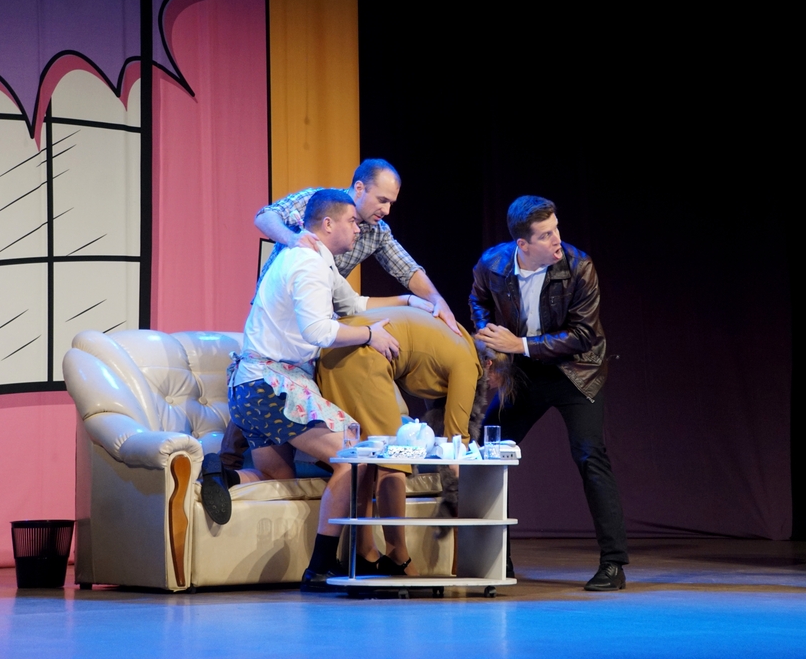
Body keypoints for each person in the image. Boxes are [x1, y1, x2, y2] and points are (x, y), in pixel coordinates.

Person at [209, 189, 433, 591]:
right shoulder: (308, 263)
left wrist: (408, 301)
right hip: (272, 385)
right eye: (351, 222)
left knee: (274, 473)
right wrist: (369, 336)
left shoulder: (318, 260)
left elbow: (354, 302)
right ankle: (321, 567)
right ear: (327, 224)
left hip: (250, 386)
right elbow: (318, 330)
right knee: (354, 454)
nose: (358, 229)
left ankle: (222, 476)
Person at [470, 195, 629, 592]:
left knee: (590, 454)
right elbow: (479, 300)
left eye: (556, 229)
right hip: (525, 373)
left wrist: (519, 345)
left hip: (576, 371)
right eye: (545, 235)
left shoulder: (578, 266)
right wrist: (490, 342)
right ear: (522, 244)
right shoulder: (493, 264)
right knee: (487, 453)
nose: (557, 239)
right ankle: (496, 560)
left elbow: (583, 334)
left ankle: (613, 564)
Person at [314, 307, 513, 576]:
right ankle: (398, 555)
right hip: (362, 356)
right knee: (395, 460)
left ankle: (365, 552)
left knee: (365, 459)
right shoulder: (469, 364)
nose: (487, 389)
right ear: (489, 366)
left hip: (336, 350)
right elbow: (455, 442)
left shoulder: (455, 340)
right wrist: (464, 493)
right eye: (492, 384)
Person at [254, 158, 459, 334]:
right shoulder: (319, 201)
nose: (387, 210)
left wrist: (437, 300)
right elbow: (265, 216)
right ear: (360, 188)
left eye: (391, 203)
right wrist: (292, 238)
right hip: (277, 312)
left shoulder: (377, 231)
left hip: (318, 317)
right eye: (382, 200)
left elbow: (407, 270)